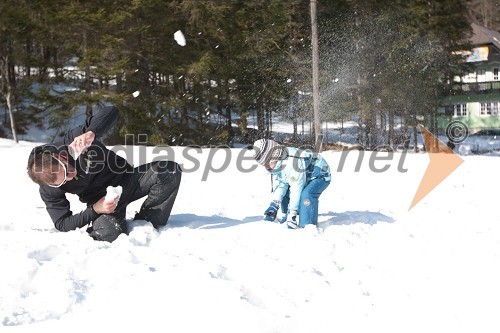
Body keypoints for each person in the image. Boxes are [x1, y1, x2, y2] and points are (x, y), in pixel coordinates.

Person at [27, 106, 182, 242]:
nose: (70, 177)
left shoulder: (72, 140)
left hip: (127, 179)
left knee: (169, 170)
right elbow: (62, 223)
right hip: (103, 201)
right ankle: (108, 225)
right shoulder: (47, 186)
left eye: (67, 170)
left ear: (60, 157)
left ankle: (147, 223)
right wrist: (95, 209)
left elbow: (111, 111)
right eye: (63, 182)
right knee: (108, 234)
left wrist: (91, 133)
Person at [252, 139, 331, 229]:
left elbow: (296, 188)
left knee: (306, 195)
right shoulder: (277, 165)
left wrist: (292, 212)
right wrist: (275, 204)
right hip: (302, 177)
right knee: (286, 192)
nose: (267, 167)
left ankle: (308, 225)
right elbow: (281, 184)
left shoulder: (293, 162)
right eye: (264, 165)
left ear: (274, 156)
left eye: (267, 163)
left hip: (319, 174)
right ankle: (288, 213)